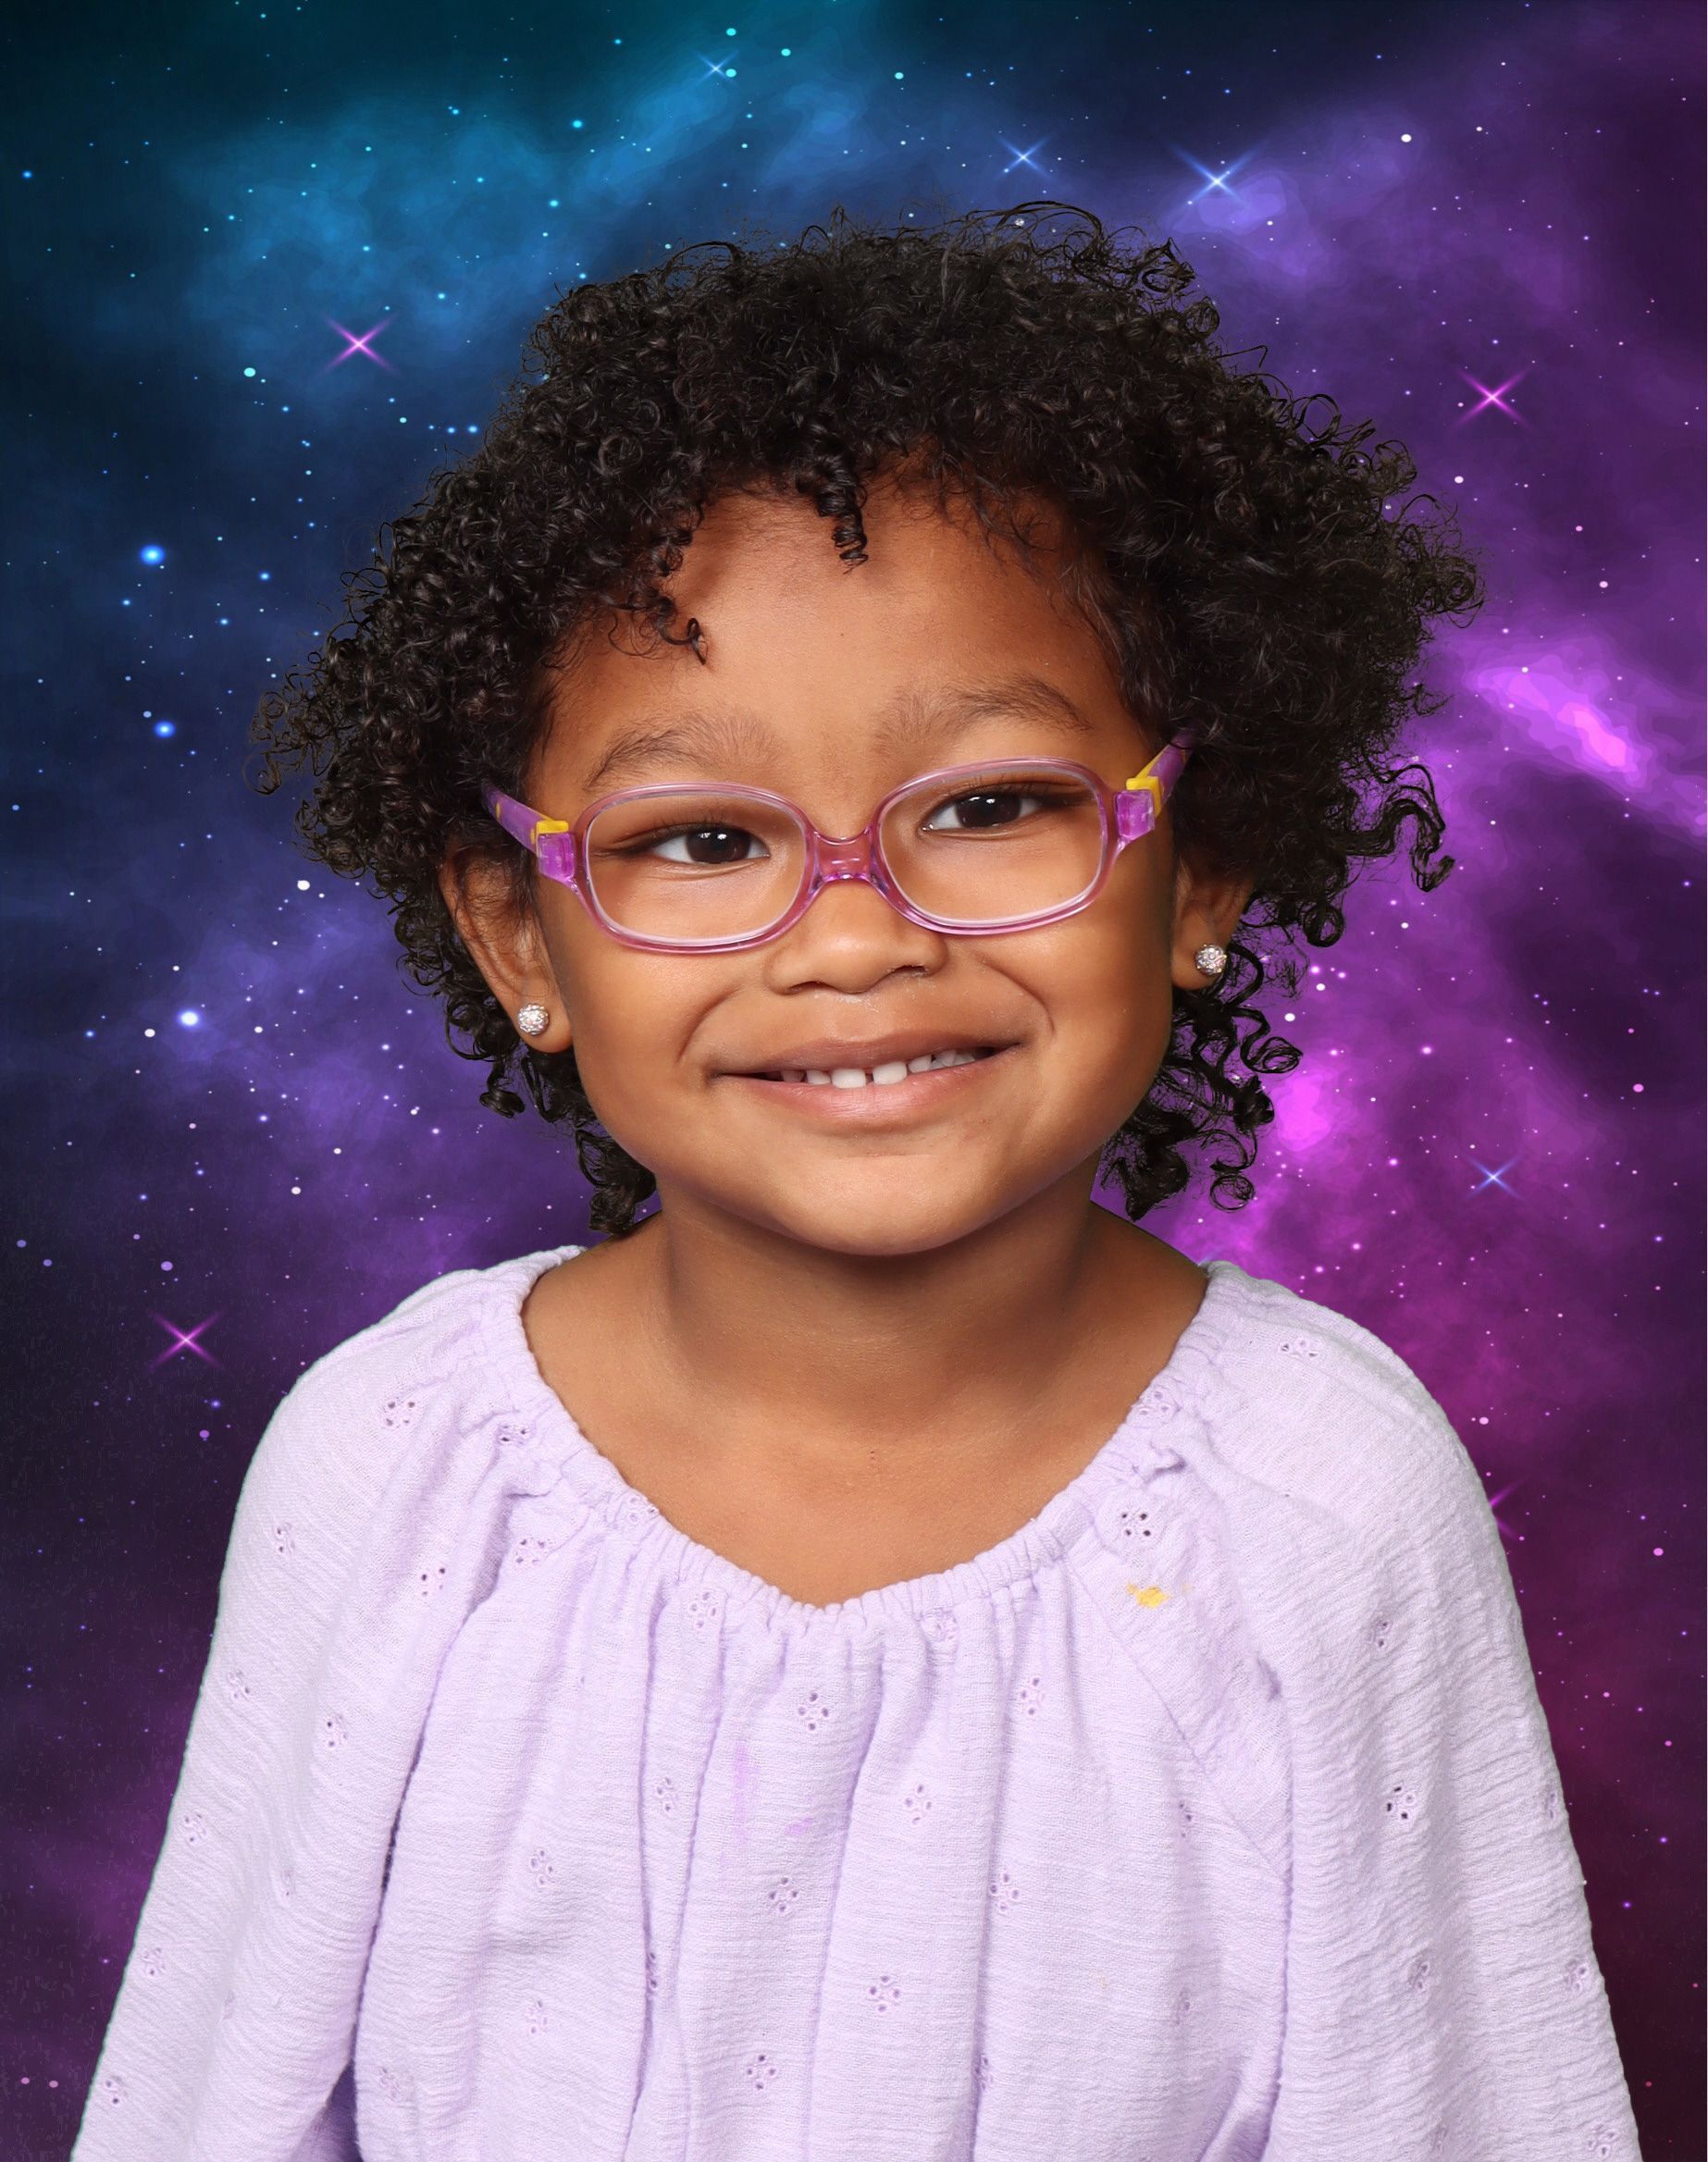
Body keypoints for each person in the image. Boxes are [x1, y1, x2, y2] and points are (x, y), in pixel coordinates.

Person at [71, 202, 1640, 2160]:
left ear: (1202, 865)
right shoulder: (395, 1471)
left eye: (987, 806)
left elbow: (1457, 2115)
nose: (849, 936)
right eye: (702, 835)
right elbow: (204, 2109)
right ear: (519, 941)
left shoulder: (1314, 1502)